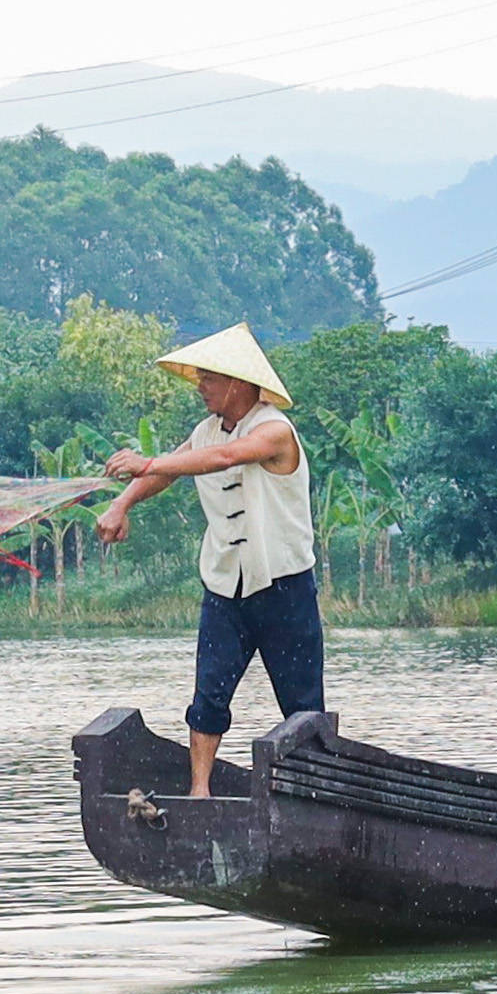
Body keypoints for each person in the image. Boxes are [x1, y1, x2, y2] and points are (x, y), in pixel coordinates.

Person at [94, 322, 322, 797]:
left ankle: (315, 795)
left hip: (285, 588)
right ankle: (200, 793)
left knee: (302, 706)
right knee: (209, 696)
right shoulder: (204, 432)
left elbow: (224, 459)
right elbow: (171, 472)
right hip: (225, 588)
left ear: (238, 381)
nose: (200, 388)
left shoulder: (275, 431)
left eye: (209, 379)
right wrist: (122, 504)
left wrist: (148, 461)